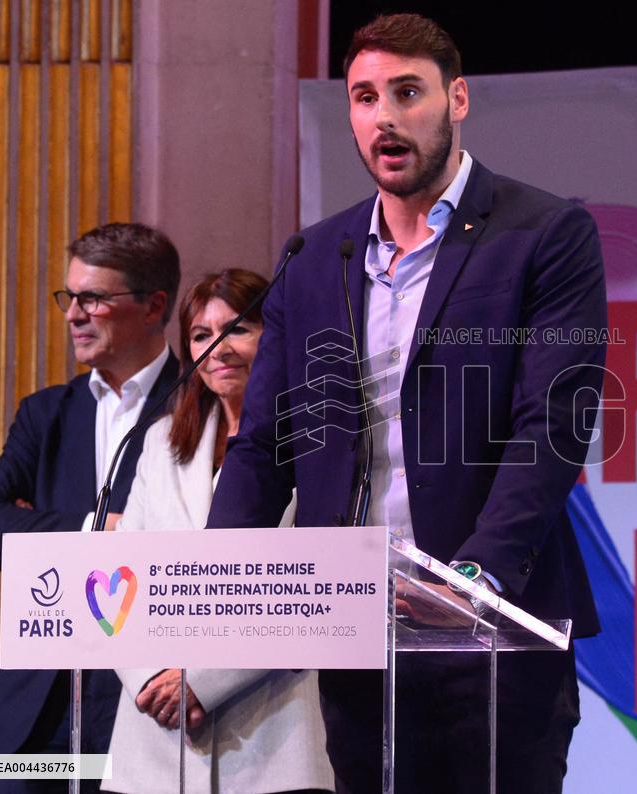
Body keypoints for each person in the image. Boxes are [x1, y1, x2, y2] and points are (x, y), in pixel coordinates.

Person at [207, 13, 606, 794]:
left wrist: (473, 579)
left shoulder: (544, 233)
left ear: (458, 99)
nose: (383, 117)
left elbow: (552, 425)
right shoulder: (313, 256)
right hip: (355, 633)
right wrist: (219, 577)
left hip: (493, 629)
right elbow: (266, 444)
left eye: (406, 92)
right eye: (363, 96)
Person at [0, 223, 181, 793]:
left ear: (153, 306)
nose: (73, 314)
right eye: (69, 297)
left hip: (147, 700)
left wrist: (34, 523)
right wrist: (91, 527)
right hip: (38, 713)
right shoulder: (46, 414)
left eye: (93, 299)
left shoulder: (198, 407)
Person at [104, 269, 333, 794]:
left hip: (272, 732)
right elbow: (121, 576)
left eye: (238, 329)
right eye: (202, 335)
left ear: (275, 336)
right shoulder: (160, 440)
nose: (219, 348)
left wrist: (202, 681)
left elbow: (314, 591)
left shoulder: (320, 440)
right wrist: (148, 679)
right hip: (153, 732)